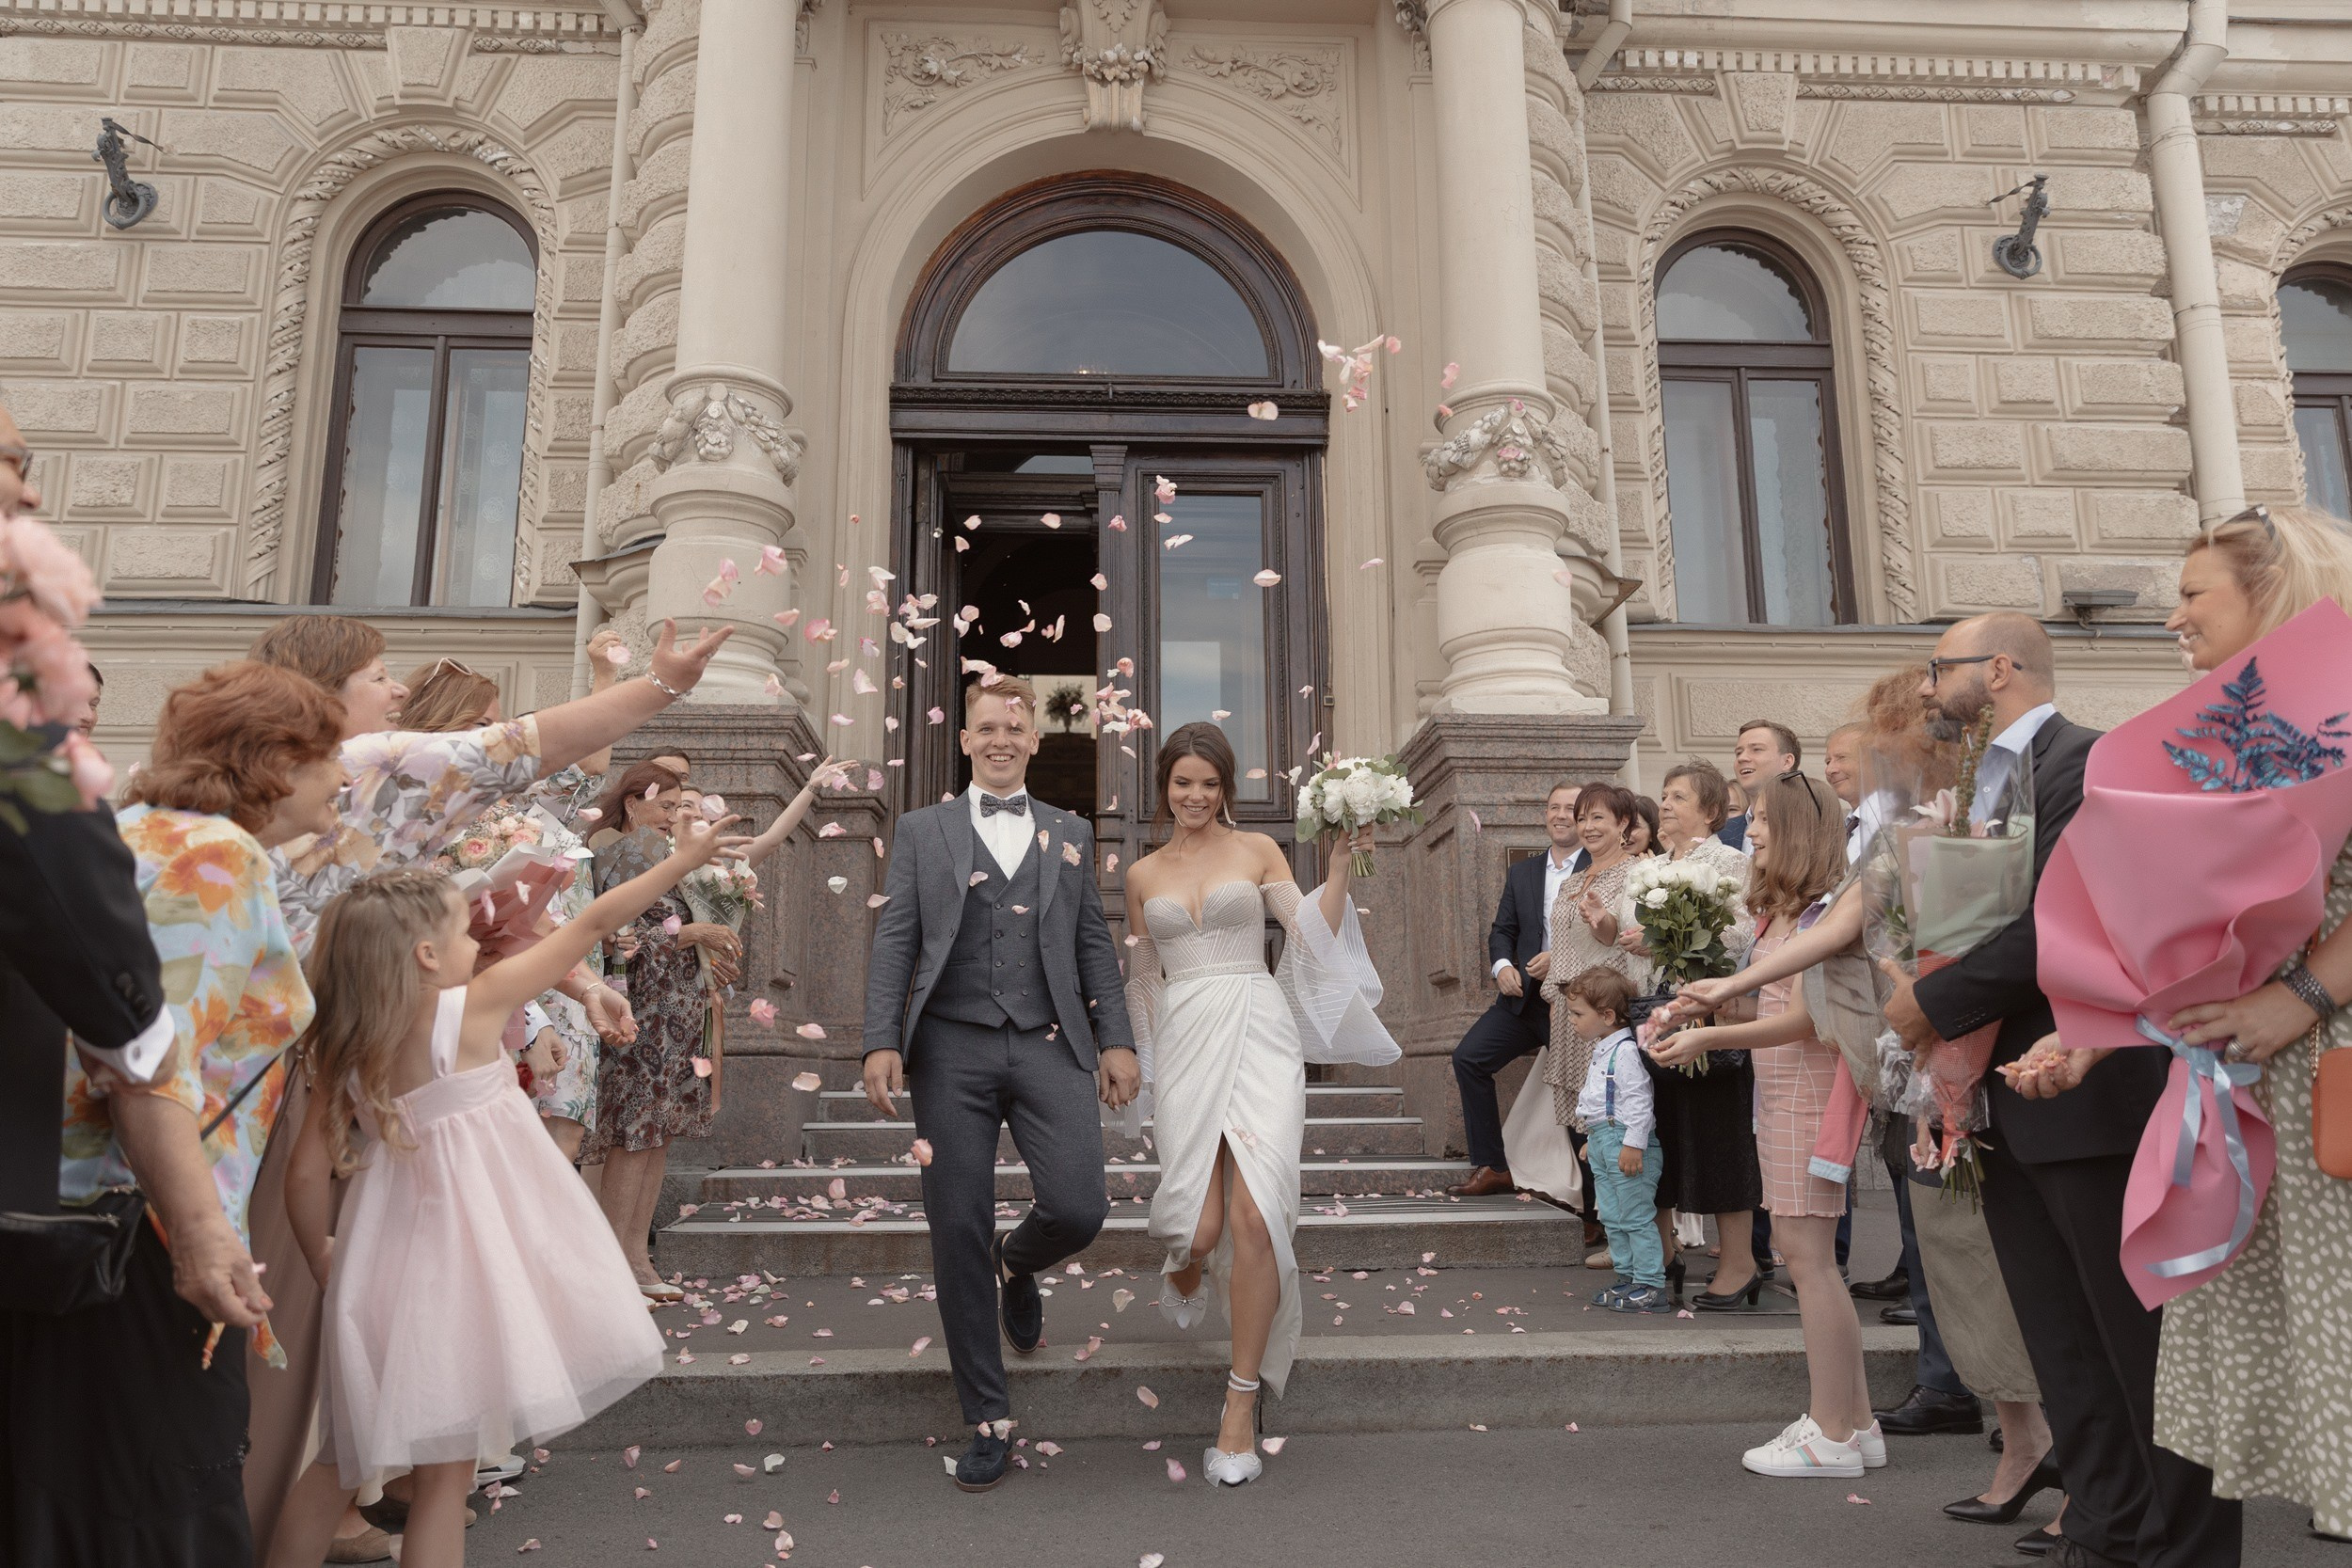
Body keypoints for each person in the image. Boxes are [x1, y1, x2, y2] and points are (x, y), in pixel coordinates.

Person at [242, 613, 723, 1560]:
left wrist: (327, 1255)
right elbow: (584, 918)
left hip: (360, 1249)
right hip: (456, 1267)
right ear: (427, 954)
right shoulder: (467, 1009)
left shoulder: (343, 1038)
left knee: (332, 1450)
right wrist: (681, 855)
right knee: (438, 1473)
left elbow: (304, 1173)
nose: (483, 936)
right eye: (466, 927)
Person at [2025, 505, 2352, 1548]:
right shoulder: (2251, 734)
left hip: (2328, 1076)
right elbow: (2209, 937)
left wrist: (2295, 999)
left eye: (2192, 592)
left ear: (2270, 590)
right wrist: (2092, 1027)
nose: (2173, 616)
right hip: (2265, 1090)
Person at [1881, 611, 2236, 1567]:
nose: (1927, 686)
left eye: (1939, 667)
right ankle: (2105, 1528)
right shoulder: (1970, 784)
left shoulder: (2090, 762)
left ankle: (2174, 1542)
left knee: (2137, 1345)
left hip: (2090, 1093)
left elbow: (2065, 923)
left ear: (1998, 667)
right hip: (2000, 1095)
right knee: (2061, 1341)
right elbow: (1966, 917)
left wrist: (1929, 1002)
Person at [20, 662, 346, 1567]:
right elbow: (146, 1065)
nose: (342, 776)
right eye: (329, 755)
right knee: (156, 1502)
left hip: (78, 1223)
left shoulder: (135, 832)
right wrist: (203, 1236)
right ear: (276, 760)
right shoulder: (212, 855)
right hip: (142, 1233)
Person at [860, 677, 1138, 1493]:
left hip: (1050, 1040)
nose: (1001, 739)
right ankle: (986, 1417)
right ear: (966, 739)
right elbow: (896, 939)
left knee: (1080, 1205)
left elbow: (1092, 943)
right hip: (950, 1047)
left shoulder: (1070, 831)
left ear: (1035, 740)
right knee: (955, 1225)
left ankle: (1015, 1263)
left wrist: (1117, 1038)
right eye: (986, 727)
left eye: (1014, 728)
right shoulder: (922, 830)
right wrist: (881, 1039)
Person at [1121, 722, 1391, 1485]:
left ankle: (1239, 1405)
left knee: (1255, 1216)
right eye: (1183, 782)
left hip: (1259, 1029)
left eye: (1209, 783)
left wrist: (1337, 867)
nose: (1196, 796)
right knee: (1199, 1226)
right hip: (1184, 1038)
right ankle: (1186, 1264)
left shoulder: (1258, 850)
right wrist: (1141, 1063)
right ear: (1165, 787)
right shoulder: (1141, 874)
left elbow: (1310, 936)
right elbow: (1143, 980)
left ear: (1225, 787)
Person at [1655, 770, 1881, 1479]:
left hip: (1809, 1093)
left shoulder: (1822, 912)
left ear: (1797, 829)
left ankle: (1832, 1434)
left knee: (1807, 1261)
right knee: (1805, 1258)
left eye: (1759, 819)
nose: (1748, 830)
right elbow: (1769, 1007)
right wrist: (1704, 1007)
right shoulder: (1782, 911)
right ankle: (1858, 1424)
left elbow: (1809, 1022)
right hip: (1780, 1094)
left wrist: (1711, 1035)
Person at [581, 759, 728, 1299]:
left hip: (678, 1014)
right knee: (635, 1133)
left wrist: (710, 951)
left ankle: (638, 1256)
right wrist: (693, 933)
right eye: (665, 805)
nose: (673, 815)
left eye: (676, 806)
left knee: (658, 1135)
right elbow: (619, 937)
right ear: (632, 802)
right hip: (637, 1011)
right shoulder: (612, 855)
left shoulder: (664, 860)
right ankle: (616, 1265)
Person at [1638, 760, 1762, 1307]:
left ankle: (1739, 1263)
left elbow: (1743, 934)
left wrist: (1685, 940)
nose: (1665, 805)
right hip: (1657, 1014)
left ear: (1711, 811)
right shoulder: (1649, 868)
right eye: (1664, 796)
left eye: (1679, 797)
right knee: (1655, 1133)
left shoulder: (1731, 863)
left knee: (1719, 1136)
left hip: (1713, 1015)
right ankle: (1662, 1254)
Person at [1449, 783, 1584, 1200]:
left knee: (1582, 1090)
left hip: (1576, 1001)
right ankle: (1493, 1166)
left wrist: (1559, 958)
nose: (1560, 815)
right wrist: (1502, 966)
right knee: (1469, 1058)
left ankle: (1594, 1206)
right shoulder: (1523, 871)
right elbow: (1502, 931)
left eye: (1570, 808)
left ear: (1584, 818)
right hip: (1522, 1001)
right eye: (1553, 807)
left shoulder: (1600, 867)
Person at [1563, 967, 1665, 1312]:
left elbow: (1638, 1101)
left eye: (1578, 1014)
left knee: (1635, 1216)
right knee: (1612, 1216)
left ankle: (1650, 1284)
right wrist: (1594, 1138)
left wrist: (1633, 1143)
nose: (1572, 1021)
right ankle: (1627, 1277)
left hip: (1626, 1144)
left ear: (1607, 1016)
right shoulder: (1603, 1050)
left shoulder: (1625, 1052)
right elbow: (1602, 1101)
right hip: (1605, 1142)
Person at [1718, 721, 1800, 851]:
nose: (1742, 758)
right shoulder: (1721, 834)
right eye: (1738, 752)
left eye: (1756, 750)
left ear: (1787, 761)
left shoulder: (1811, 823)